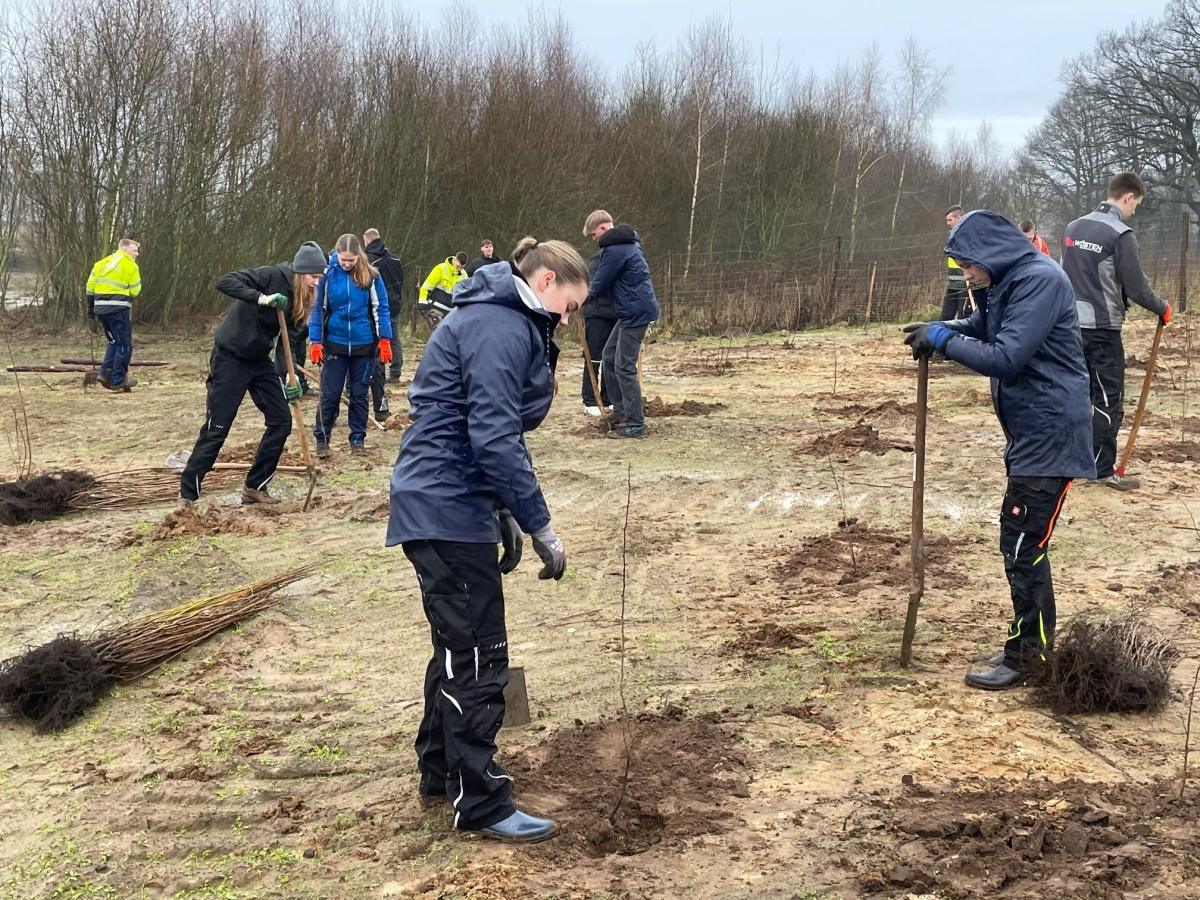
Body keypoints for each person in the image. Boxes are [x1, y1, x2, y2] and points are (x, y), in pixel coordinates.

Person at [387, 236, 587, 843]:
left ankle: (440, 772)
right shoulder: (501, 327)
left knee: (455, 646)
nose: (568, 320)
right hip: (445, 504)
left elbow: (483, 428)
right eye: (569, 307)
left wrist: (496, 509)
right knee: (478, 656)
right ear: (546, 280)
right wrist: (539, 522)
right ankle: (480, 802)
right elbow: (495, 435)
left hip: (447, 499)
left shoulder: (497, 318)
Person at [903, 211, 1095, 691]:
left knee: (1022, 542)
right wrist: (943, 327)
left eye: (967, 264)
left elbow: (1007, 357)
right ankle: (1029, 642)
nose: (964, 273)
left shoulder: (1039, 281)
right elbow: (988, 325)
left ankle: (1029, 655)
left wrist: (945, 340)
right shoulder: (1009, 280)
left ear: (990, 251)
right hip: (1032, 432)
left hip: (1050, 434)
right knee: (1020, 538)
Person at [178, 241, 326, 508]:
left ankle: (255, 486)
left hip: (259, 360)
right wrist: (262, 298)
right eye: (313, 277)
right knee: (217, 428)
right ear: (300, 271)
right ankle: (188, 495)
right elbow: (226, 282)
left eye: (319, 277)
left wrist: (289, 379)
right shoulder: (271, 276)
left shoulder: (302, 299)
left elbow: (288, 343)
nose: (316, 282)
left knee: (281, 421)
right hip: (230, 357)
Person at [1061, 172, 1172, 491]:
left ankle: (1072, 460)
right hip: (1102, 329)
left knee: (1077, 396)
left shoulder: (1073, 227)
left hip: (1068, 326)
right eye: (1136, 204)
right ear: (1127, 197)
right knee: (1108, 399)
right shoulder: (1121, 234)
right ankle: (1101, 469)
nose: (1134, 210)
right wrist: (1162, 308)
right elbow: (1136, 288)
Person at [309, 233, 393, 456]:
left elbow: (381, 308)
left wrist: (385, 339)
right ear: (336, 254)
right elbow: (317, 308)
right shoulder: (327, 274)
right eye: (343, 259)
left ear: (359, 256)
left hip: (364, 345)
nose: (346, 264)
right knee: (330, 393)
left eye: (351, 260)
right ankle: (322, 438)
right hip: (335, 343)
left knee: (359, 394)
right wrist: (315, 341)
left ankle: (357, 439)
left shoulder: (372, 275)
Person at [583, 210, 660, 439]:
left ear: (604, 228)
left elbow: (600, 283)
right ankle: (621, 410)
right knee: (609, 356)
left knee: (624, 366)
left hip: (635, 313)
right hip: (631, 312)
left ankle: (636, 424)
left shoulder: (615, 250)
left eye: (594, 234)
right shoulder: (627, 244)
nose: (594, 239)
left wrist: (577, 300)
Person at [86, 238, 142, 392]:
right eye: (134, 250)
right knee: (124, 344)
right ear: (124, 249)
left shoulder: (101, 263)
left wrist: (90, 308)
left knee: (113, 342)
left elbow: (90, 287)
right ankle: (118, 380)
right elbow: (135, 291)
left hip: (100, 310)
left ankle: (104, 374)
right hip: (118, 310)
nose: (137, 254)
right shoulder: (130, 266)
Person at [364, 227, 405, 385]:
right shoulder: (395, 259)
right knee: (394, 338)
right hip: (395, 303)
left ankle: (374, 371)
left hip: (376, 305)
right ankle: (395, 372)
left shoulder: (368, 260)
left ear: (366, 240)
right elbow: (401, 280)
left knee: (373, 339)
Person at [580, 248, 616, 416]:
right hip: (597, 314)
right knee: (593, 357)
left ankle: (609, 398)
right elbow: (593, 286)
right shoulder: (597, 261)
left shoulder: (620, 258)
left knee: (612, 358)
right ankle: (590, 400)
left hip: (616, 314)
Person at [417, 252, 468, 328]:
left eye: (462, 267)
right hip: (435, 309)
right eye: (458, 266)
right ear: (455, 260)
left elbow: (464, 296)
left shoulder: (464, 275)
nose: (459, 269)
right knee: (438, 331)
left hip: (451, 313)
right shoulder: (441, 268)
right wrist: (422, 303)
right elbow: (426, 287)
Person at [940, 206, 969, 320]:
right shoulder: (952, 235)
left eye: (950, 220)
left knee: (964, 317)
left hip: (965, 284)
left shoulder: (967, 235)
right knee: (946, 317)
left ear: (959, 218)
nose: (947, 223)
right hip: (953, 284)